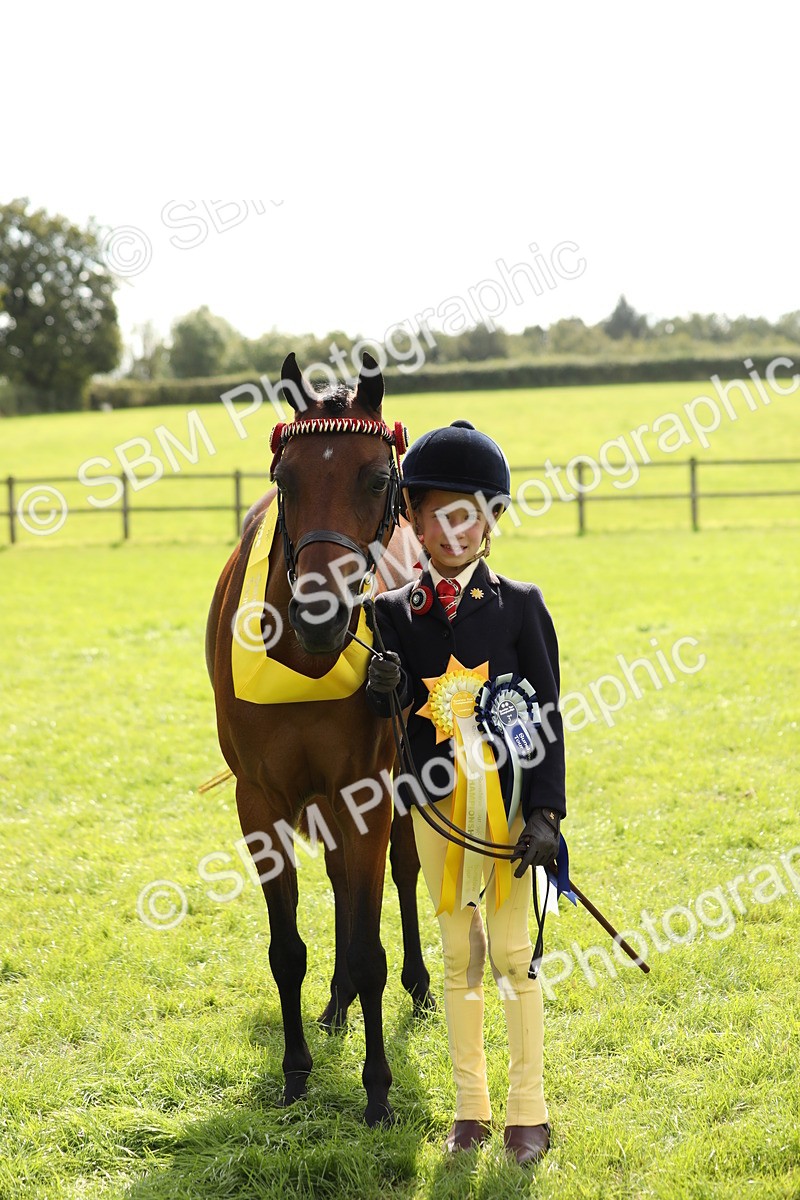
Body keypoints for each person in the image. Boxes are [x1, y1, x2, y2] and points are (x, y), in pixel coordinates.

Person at [365, 420, 566, 1167]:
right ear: (413, 522)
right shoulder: (390, 613)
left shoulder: (522, 606)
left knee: (514, 953)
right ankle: (470, 1110)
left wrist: (546, 812)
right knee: (459, 955)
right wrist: (380, 688)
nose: (454, 530)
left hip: (511, 810)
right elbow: (387, 721)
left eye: (469, 514)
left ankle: (528, 1112)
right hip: (436, 808)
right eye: (438, 515)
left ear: (491, 521)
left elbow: (547, 716)